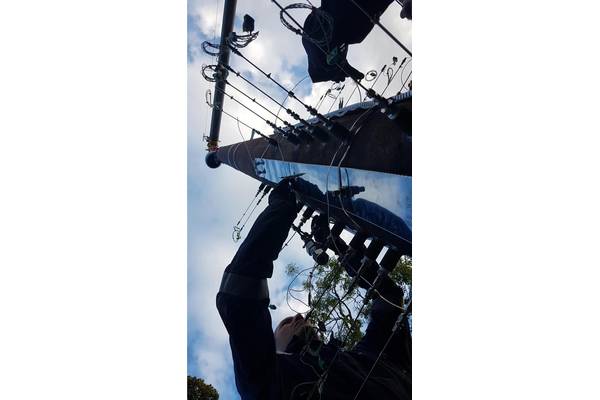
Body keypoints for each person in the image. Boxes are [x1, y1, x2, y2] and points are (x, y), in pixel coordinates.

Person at [216, 179, 411, 399]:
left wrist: (340, 248)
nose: (298, 316)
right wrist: (281, 208)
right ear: (272, 348)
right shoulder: (265, 383)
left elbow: (387, 300)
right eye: (285, 323)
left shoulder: (369, 358)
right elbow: (238, 297)